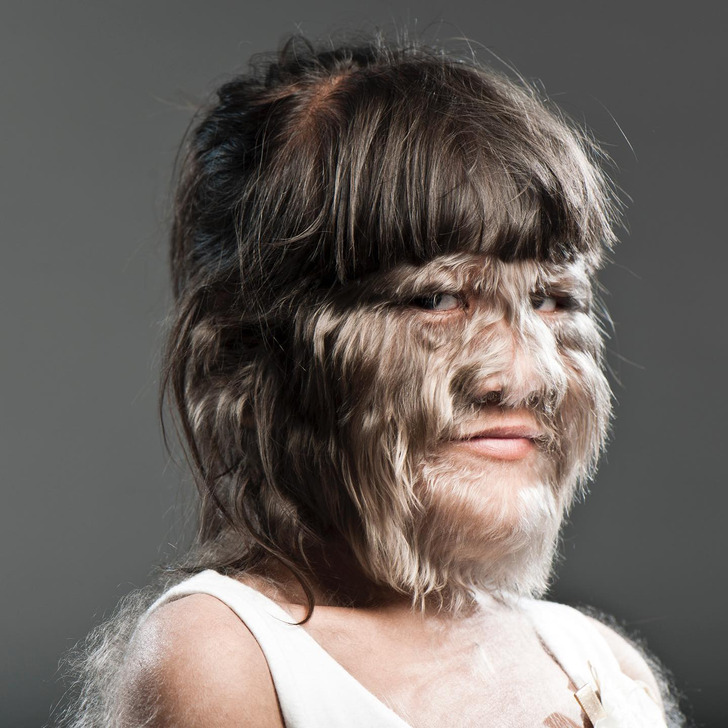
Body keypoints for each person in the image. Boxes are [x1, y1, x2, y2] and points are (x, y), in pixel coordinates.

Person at [59, 34, 684, 728]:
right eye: (439, 299)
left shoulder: (604, 664)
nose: (527, 375)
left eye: (554, 299)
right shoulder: (222, 656)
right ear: (262, 344)